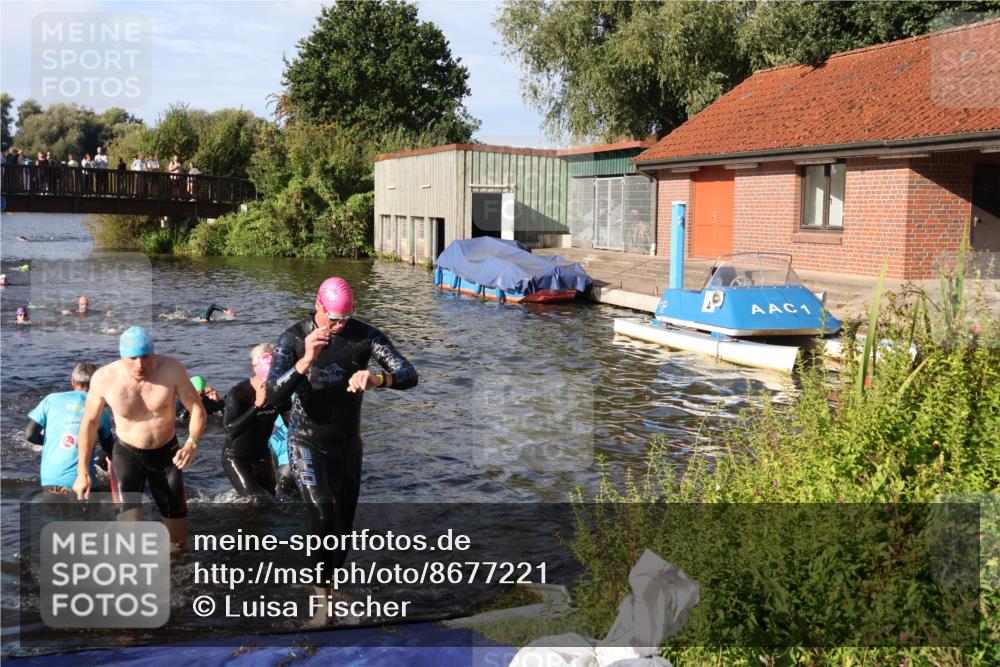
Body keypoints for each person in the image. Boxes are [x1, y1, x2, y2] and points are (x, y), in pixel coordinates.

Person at [266, 276, 417, 625]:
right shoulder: (293, 338)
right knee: (321, 513)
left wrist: (378, 379)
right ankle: (321, 603)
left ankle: (329, 587)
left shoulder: (364, 335)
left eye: (346, 317)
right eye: (334, 318)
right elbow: (273, 394)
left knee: (343, 526)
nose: (339, 325)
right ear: (318, 306)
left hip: (347, 442)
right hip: (305, 439)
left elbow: (408, 372)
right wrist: (305, 360)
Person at [72, 326, 206, 549]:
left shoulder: (171, 370)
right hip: (127, 455)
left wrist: (192, 443)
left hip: (167, 456)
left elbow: (198, 410)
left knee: (178, 543)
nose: (140, 365)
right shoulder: (105, 378)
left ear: (154, 353)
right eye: (133, 358)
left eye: (146, 357)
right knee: (129, 538)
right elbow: (89, 423)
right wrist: (82, 471)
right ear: (122, 356)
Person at [27, 363, 114, 493]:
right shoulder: (100, 409)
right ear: (97, 384)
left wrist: (51, 441)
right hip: (84, 484)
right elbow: (109, 447)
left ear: (73, 381)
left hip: (50, 481)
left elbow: (29, 435)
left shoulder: (50, 400)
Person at [222, 343, 289, 497]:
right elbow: (229, 428)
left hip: (262, 455)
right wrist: (257, 405)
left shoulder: (279, 393)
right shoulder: (239, 392)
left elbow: (289, 419)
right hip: (236, 457)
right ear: (253, 367)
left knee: (270, 500)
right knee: (255, 500)